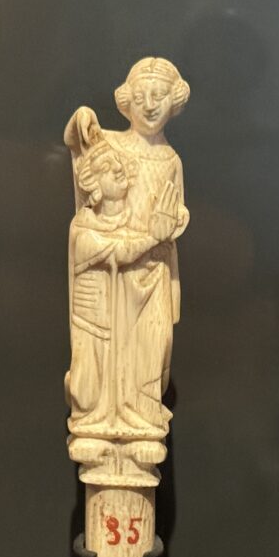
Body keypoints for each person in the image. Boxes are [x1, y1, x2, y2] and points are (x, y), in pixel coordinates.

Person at [64, 57, 191, 413]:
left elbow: (177, 209)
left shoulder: (171, 160)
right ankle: (111, 412)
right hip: (115, 269)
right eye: (140, 97)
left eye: (159, 96)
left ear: (174, 100)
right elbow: (77, 142)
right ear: (127, 102)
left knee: (154, 343)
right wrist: (83, 118)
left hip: (153, 269)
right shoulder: (113, 145)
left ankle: (143, 412)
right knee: (114, 348)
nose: (149, 105)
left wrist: (173, 222)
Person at [66, 140, 180, 455]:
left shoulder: (131, 221)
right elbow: (122, 251)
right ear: (94, 185)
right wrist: (154, 237)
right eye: (108, 168)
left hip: (124, 320)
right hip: (93, 322)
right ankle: (97, 420)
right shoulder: (83, 227)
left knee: (139, 363)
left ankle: (137, 413)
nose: (118, 171)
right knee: (91, 392)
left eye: (119, 165)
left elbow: (138, 252)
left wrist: (163, 237)